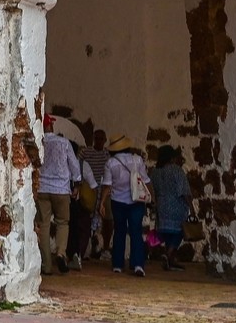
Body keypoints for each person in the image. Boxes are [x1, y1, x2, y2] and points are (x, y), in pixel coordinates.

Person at [35, 115, 89, 275]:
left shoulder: (39, 143)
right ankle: (60, 253)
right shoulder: (64, 143)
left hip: (43, 189)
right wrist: (77, 184)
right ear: (51, 126)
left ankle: (47, 265)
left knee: (44, 224)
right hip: (61, 189)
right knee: (63, 223)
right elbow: (74, 165)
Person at [105, 134, 150, 276]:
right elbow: (146, 180)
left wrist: (100, 203)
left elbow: (107, 185)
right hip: (136, 201)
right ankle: (138, 265)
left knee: (119, 231)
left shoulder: (110, 163)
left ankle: (118, 264)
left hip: (117, 201)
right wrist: (151, 196)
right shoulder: (137, 160)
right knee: (136, 232)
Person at [148, 145, 192, 272]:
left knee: (167, 232)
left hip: (162, 205)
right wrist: (192, 208)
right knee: (179, 232)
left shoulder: (155, 172)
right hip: (176, 205)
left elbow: (153, 189)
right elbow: (184, 191)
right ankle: (168, 255)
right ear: (171, 157)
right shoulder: (176, 170)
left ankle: (170, 261)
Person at [80, 127, 114, 260]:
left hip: (105, 191)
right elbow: (79, 165)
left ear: (105, 140)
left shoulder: (107, 155)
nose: (99, 141)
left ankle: (105, 247)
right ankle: (87, 248)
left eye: (101, 139)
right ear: (93, 139)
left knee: (107, 220)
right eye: (97, 139)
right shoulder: (86, 152)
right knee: (87, 220)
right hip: (89, 190)